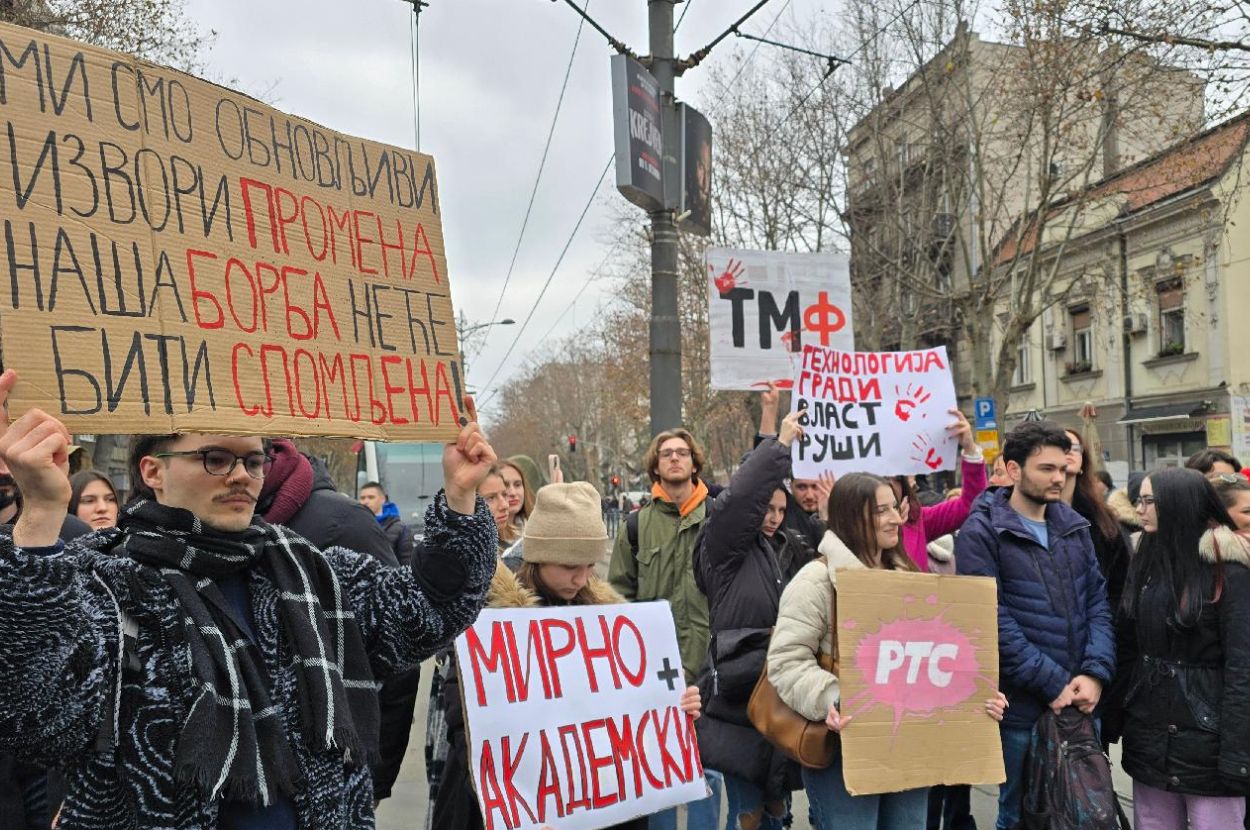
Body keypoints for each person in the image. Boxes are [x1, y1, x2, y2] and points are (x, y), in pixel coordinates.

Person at [0, 370, 498, 829]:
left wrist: (459, 496)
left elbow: (424, 614)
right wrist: (42, 510)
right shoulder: (100, 581)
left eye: (254, 459)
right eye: (215, 458)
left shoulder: (308, 570)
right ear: (153, 471)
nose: (241, 475)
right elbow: (38, 721)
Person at [433, 482, 703, 830]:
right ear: (538, 556)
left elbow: (630, 714)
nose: (581, 577)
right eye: (568, 565)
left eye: (589, 565)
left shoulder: (609, 623)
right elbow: (464, 720)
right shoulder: (489, 621)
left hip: (600, 809)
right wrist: (523, 807)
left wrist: (674, 707)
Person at [768, 473, 1008, 830]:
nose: (896, 519)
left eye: (895, 508)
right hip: (843, 750)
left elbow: (936, 656)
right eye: (882, 511)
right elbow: (786, 662)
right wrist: (833, 699)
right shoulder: (814, 583)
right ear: (852, 516)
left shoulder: (909, 577)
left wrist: (976, 697)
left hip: (909, 747)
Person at [955, 420, 1115, 830]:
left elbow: (1097, 601)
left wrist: (1094, 673)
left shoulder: (1074, 525)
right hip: (1020, 710)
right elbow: (990, 617)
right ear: (1013, 470)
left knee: (1082, 813)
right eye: (1046, 468)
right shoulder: (981, 531)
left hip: (1080, 703)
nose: (1059, 478)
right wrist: (1052, 683)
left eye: (1063, 468)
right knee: (1020, 815)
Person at [1110, 467, 1250, 828]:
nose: (1140, 509)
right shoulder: (1145, 561)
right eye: (1139, 500)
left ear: (1177, 503)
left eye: (1149, 501)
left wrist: (1238, 751)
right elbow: (1128, 645)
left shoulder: (1230, 570)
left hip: (1210, 738)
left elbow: (1242, 666)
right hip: (1150, 733)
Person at [694, 411, 814, 830]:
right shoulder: (725, 546)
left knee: (775, 812)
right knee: (748, 816)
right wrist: (777, 445)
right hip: (738, 702)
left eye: (782, 510)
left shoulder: (786, 549)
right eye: (767, 507)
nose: (774, 516)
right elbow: (741, 499)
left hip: (780, 697)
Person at [608, 427, 721, 830]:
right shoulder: (636, 526)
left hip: (711, 666)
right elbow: (616, 597)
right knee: (655, 769)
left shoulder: (719, 516)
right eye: (666, 453)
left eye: (682, 452)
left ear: (694, 462)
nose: (674, 458)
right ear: (655, 465)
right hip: (654, 674)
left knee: (709, 770)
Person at [891, 409, 985, 574]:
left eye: (897, 479)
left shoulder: (917, 520)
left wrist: (970, 450)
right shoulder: (852, 526)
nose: (888, 487)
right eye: (881, 478)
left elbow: (970, 505)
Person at [1060, 428, 1130, 617]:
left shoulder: (1102, 521)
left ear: (1083, 462)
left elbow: (1120, 584)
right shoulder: (1031, 517)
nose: (1068, 453)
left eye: (1074, 448)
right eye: (1061, 447)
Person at [757, 383, 826, 550]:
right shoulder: (783, 512)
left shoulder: (840, 517)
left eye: (815, 487)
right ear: (790, 486)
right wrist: (769, 410)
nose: (810, 495)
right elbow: (763, 472)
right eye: (802, 487)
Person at [358, 481, 417, 567]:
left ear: (383, 499)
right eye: (362, 498)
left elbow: (407, 563)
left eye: (371, 497)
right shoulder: (355, 524)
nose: (366, 501)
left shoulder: (400, 529)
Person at [497, 459, 534, 532]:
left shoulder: (533, 526)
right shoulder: (490, 538)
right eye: (505, 485)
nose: (513, 493)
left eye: (517, 485)